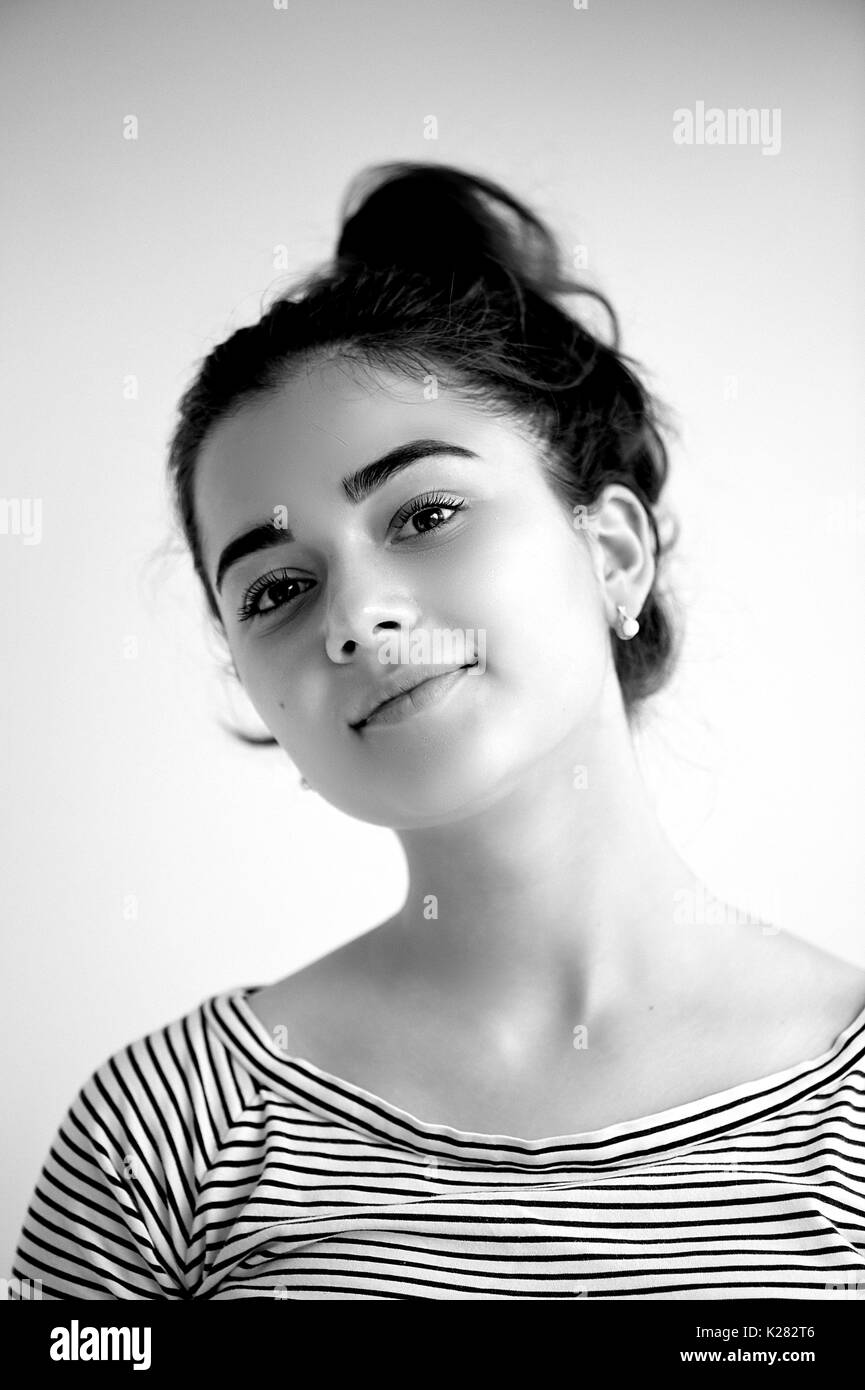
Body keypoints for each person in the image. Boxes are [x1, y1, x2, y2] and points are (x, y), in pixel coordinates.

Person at [10, 162, 865, 1300]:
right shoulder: (160, 1142)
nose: (358, 620)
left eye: (423, 514)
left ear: (611, 552)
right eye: (274, 590)